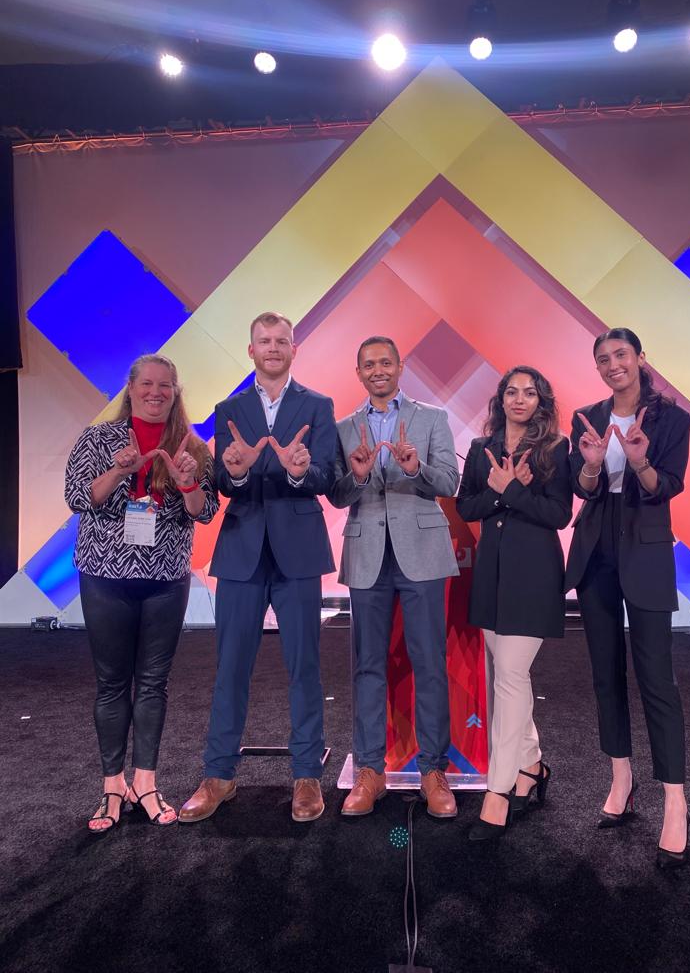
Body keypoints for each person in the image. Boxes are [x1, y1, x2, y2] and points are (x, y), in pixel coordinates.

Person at [179, 312, 336, 824]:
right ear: (250, 351)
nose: (272, 348)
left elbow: (328, 475)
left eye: (281, 341)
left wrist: (298, 474)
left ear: (294, 349)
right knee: (230, 668)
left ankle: (307, 775)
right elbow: (226, 483)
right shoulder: (230, 408)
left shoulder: (318, 405)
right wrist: (238, 474)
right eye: (264, 342)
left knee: (304, 667)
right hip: (243, 549)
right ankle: (219, 774)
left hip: (298, 553)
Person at [65, 354, 219, 832]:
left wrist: (187, 479)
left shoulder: (191, 445)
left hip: (165, 579)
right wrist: (117, 471)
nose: (156, 393)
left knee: (153, 683)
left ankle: (146, 782)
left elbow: (204, 511)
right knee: (112, 684)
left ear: (176, 392)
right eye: (147, 384)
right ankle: (113, 787)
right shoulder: (97, 438)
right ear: (130, 388)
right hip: (105, 576)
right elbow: (77, 497)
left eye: (166, 386)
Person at [565, 327, 690, 870]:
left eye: (621, 355)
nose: (613, 365)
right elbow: (583, 489)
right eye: (603, 359)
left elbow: (668, 484)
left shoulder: (670, 418)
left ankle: (675, 801)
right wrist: (591, 463)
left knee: (656, 678)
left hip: (645, 543)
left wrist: (638, 460)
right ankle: (622, 778)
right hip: (596, 546)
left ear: (640, 358)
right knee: (605, 673)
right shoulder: (586, 417)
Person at [329, 336, 460, 819]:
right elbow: (337, 494)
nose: (378, 370)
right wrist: (360, 475)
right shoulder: (344, 427)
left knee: (429, 663)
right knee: (367, 665)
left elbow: (450, 482)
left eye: (386, 361)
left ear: (400, 366)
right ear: (359, 372)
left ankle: (433, 770)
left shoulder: (432, 418)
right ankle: (369, 769)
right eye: (369, 364)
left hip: (422, 552)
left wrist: (416, 467)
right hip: (367, 555)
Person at [457, 367, 571, 840]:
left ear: (541, 400)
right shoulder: (483, 449)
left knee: (509, 677)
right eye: (511, 391)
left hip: (533, 576)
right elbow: (467, 507)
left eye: (529, 392)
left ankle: (498, 790)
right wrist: (500, 495)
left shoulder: (555, 449)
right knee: (505, 675)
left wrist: (513, 491)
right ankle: (532, 766)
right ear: (500, 399)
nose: (519, 399)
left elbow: (558, 514)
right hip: (491, 576)